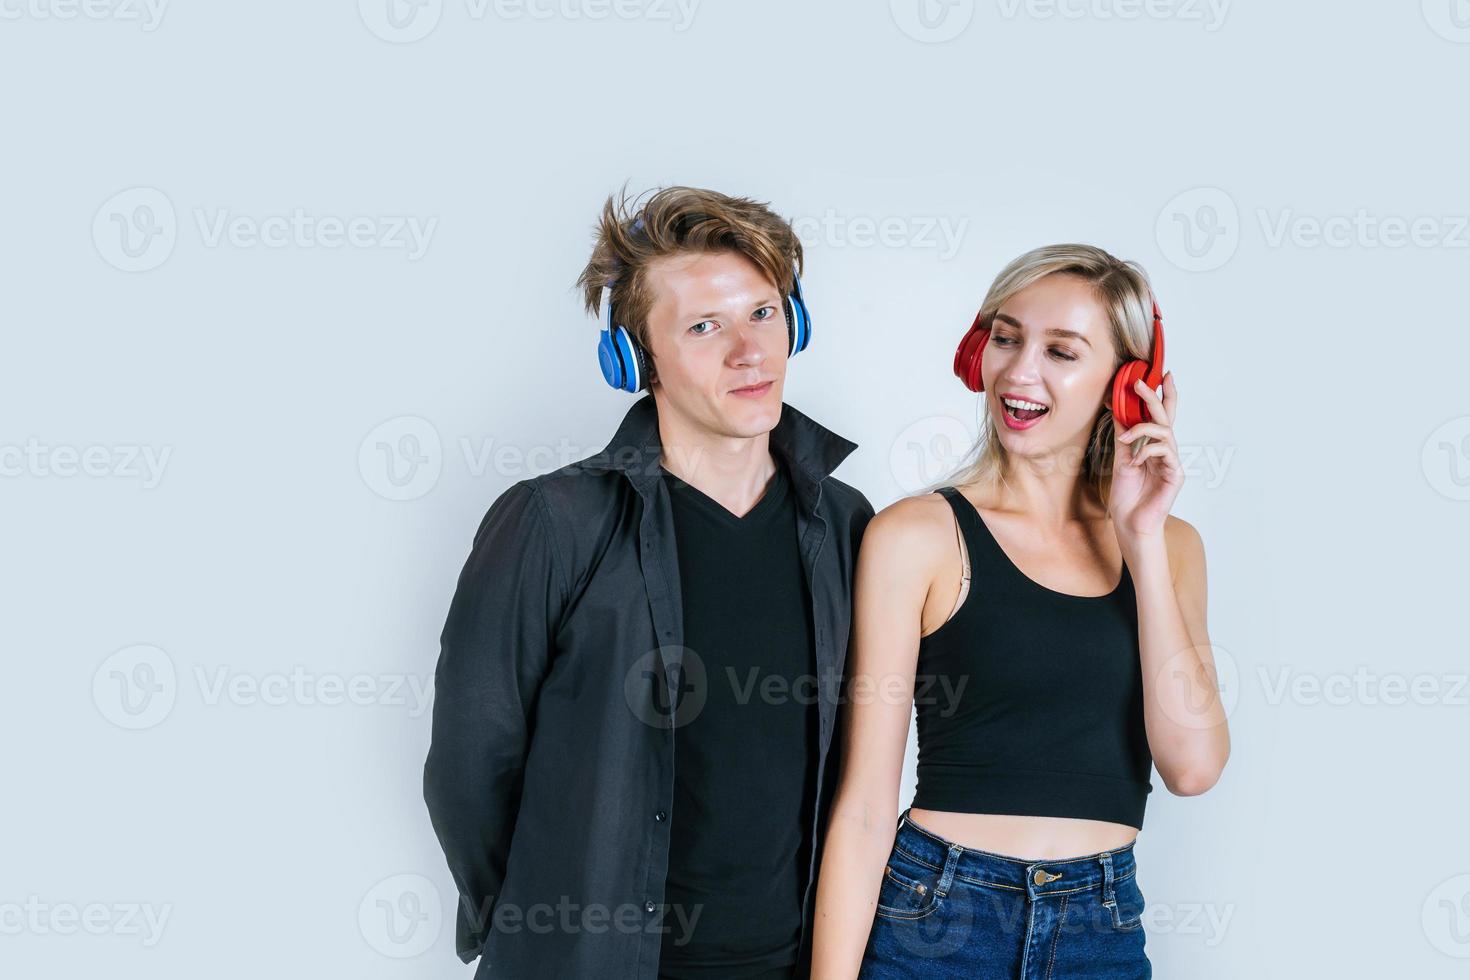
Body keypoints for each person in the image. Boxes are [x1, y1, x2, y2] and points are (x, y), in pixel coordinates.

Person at [424, 185, 875, 979]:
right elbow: (470, 766)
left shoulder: (844, 523)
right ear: (635, 357)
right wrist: (545, 929)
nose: (749, 352)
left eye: (764, 313)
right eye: (705, 326)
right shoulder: (551, 524)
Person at [812, 244, 1230, 978]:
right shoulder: (917, 536)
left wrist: (1141, 538)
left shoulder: (1171, 548)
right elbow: (866, 808)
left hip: (1099, 926)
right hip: (937, 916)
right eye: (1005, 338)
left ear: (1128, 384)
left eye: (1062, 351)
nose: (1018, 371)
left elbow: (1192, 765)